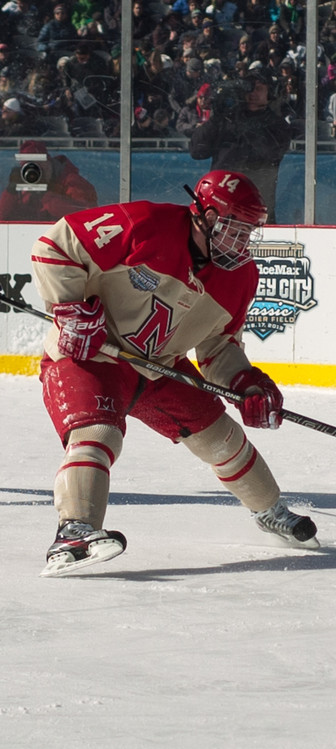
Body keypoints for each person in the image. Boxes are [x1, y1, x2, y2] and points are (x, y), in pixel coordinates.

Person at [29, 170, 318, 577]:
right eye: (237, 229)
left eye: (250, 231)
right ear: (208, 216)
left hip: (159, 366)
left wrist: (244, 383)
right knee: (99, 434)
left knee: (223, 439)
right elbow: (56, 248)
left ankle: (270, 511)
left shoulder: (241, 277)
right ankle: (74, 531)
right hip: (92, 355)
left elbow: (219, 347)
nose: (245, 242)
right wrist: (71, 310)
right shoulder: (145, 224)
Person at [189, 70, 293, 224]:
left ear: (269, 92)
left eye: (259, 89)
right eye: (248, 89)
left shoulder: (277, 125)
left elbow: (269, 153)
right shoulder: (226, 119)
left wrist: (241, 122)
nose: (252, 94)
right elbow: (197, 151)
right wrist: (218, 115)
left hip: (255, 207)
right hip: (219, 206)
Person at [0, 140, 98, 222]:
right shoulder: (22, 188)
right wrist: (10, 191)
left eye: (40, 166)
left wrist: (47, 196)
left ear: (49, 162)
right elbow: (2, 219)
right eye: (29, 169)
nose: (35, 174)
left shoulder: (73, 183)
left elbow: (87, 217)